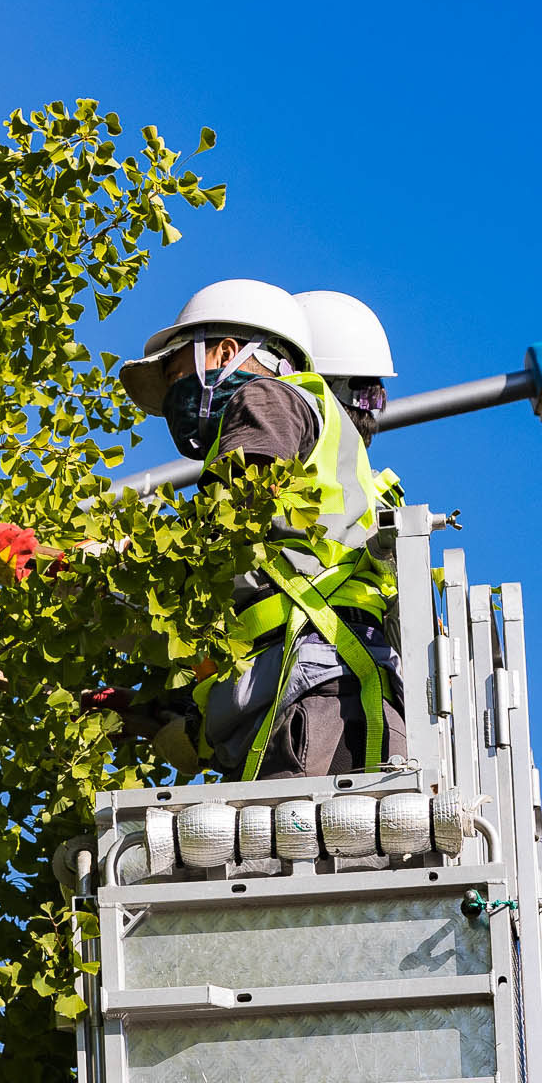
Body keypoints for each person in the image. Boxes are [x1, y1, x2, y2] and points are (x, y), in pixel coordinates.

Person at [109, 282, 409, 781]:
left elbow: (228, 524)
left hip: (311, 697)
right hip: (314, 695)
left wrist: (102, 562)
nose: (176, 389)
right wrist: (160, 709)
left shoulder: (266, 397)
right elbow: (239, 594)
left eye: (177, 369)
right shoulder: (349, 480)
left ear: (225, 352)